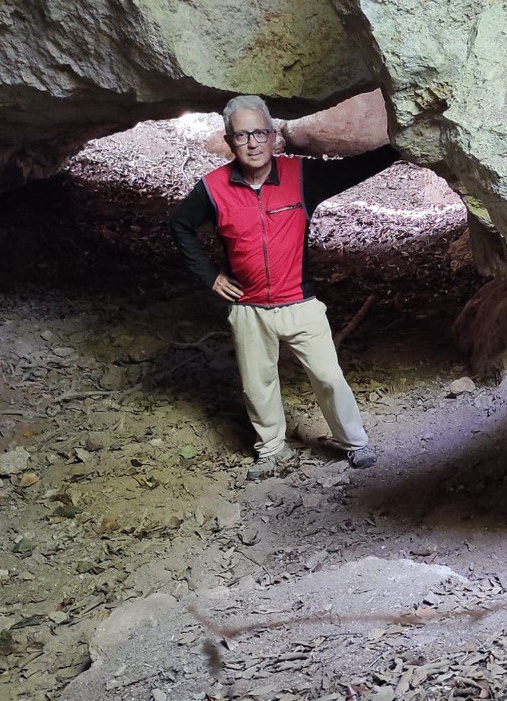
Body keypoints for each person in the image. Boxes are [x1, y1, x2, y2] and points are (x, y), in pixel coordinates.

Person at [170, 94, 397, 479]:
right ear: (229, 142)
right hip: (249, 307)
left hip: (299, 303)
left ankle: (354, 443)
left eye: (260, 132)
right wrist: (210, 277)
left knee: (328, 376)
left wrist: (401, 145)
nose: (253, 143)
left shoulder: (300, 175)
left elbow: (355, 168)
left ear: (273, 135)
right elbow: (180, 226)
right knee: (257, 386)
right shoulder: (212, 188)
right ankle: (271, 449)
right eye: (241, 136)